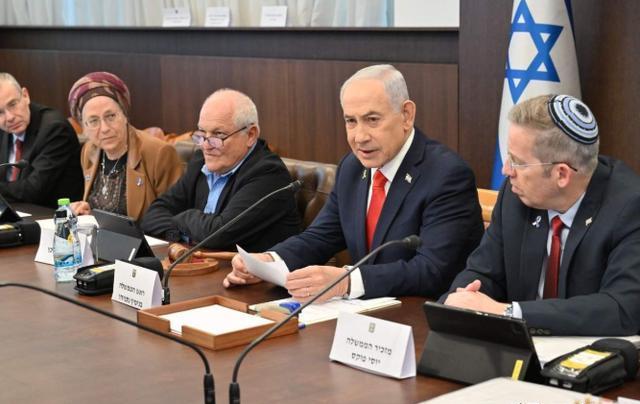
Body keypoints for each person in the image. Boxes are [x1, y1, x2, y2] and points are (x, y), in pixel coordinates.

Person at [224, 64, 484, 302]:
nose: (359, 137)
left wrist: (346, 281)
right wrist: (268, 262)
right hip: (366, 317)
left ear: (406, 115)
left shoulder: (446, 174)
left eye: (372, 120)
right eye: (351, 121)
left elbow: (433, 270)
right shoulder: (352, 167)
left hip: (422, 315)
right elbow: (321, 236)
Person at [443, 94, 640, 336]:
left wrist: (510, 313)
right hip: (518, 348)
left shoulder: (630, 208)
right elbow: (484, 272)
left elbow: (622, 308)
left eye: (518, 162)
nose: (506, 170)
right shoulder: (516, 195)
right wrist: (460, 301)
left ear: (561, 174)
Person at [141, 88, 301, 251]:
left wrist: (183, 217)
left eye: (218, 135)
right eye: (202, 134)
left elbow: (218, 235)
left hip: (247, 268)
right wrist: (181, 231)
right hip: (201, 264)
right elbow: (152, 216)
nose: (206, 145)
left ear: (251, 135)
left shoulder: (268, 174)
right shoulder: (200, 161)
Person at [67, 71, 182, 221]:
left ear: (124, 115)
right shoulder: (89, 151)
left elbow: (172, 218)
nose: (105, 128)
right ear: (84, 126)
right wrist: (88, 214)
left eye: (111, 116)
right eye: (93, 121)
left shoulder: (159, 153)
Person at [0, 72, 83, 207]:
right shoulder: (4, 129)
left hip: (51, 214)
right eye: (0, 112)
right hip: (14, 210)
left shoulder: (54, 129)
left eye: (13, 104)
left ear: (25, 95)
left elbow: (34, 190)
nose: (9, 117)